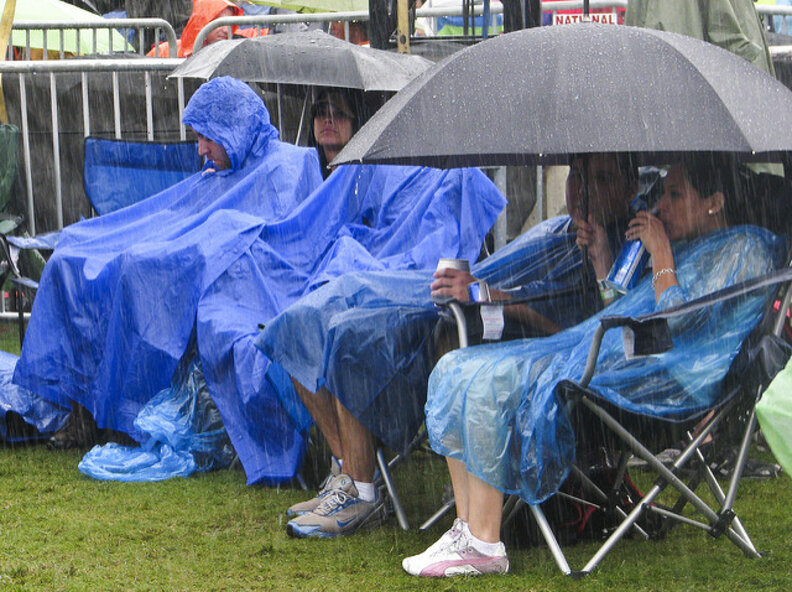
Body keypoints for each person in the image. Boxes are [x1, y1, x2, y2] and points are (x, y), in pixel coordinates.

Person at [402, 154, 785, 577]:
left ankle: (486, 542)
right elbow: (624, 313)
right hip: (615, 361)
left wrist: (660, 254)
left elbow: (674, 324)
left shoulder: (747, 248)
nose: (662, 206)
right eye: (664, 193)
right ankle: (467, 528)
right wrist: (606, 257)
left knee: (492, 377)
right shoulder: (689, 247)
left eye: (675, 194)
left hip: (659, 387)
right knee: (458, 365)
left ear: (714, 202)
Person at [257, 153, 638, 539]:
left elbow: (593, 329)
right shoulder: (559, 232)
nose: (584, 193)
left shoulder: (630, 245)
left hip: (526, 353)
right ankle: (348, 475)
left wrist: (487, 291)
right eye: (576, 177)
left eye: (602, 180)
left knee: (358, 334)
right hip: (471, 310)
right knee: (319, 315)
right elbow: (507, 274)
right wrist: (472, 287)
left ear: (631, 188)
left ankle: (366, 489)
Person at [14, 76, 322, 451]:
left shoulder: (287, 166)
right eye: (197, 138)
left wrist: (179, 250)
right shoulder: (223, 168)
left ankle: (122, 415)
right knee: (70, 257)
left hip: (217, 274)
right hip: (172, 248)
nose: (200, 150)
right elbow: (173, 215)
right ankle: (79, 407)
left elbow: (268, 236)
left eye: (207, 138)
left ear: (234, 129)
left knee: (134, 270)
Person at [146, 0, 261, 58]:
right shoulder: (165, 51)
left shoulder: (238, 51)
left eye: (230, 23)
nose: (226, 30)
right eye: (219, 22)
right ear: (202, 22)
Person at [309, 88, 371, 179]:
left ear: (355, 124)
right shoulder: (305, 175)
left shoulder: (367, 177)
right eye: (321, 113)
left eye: (339, 114)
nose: (328, 119)